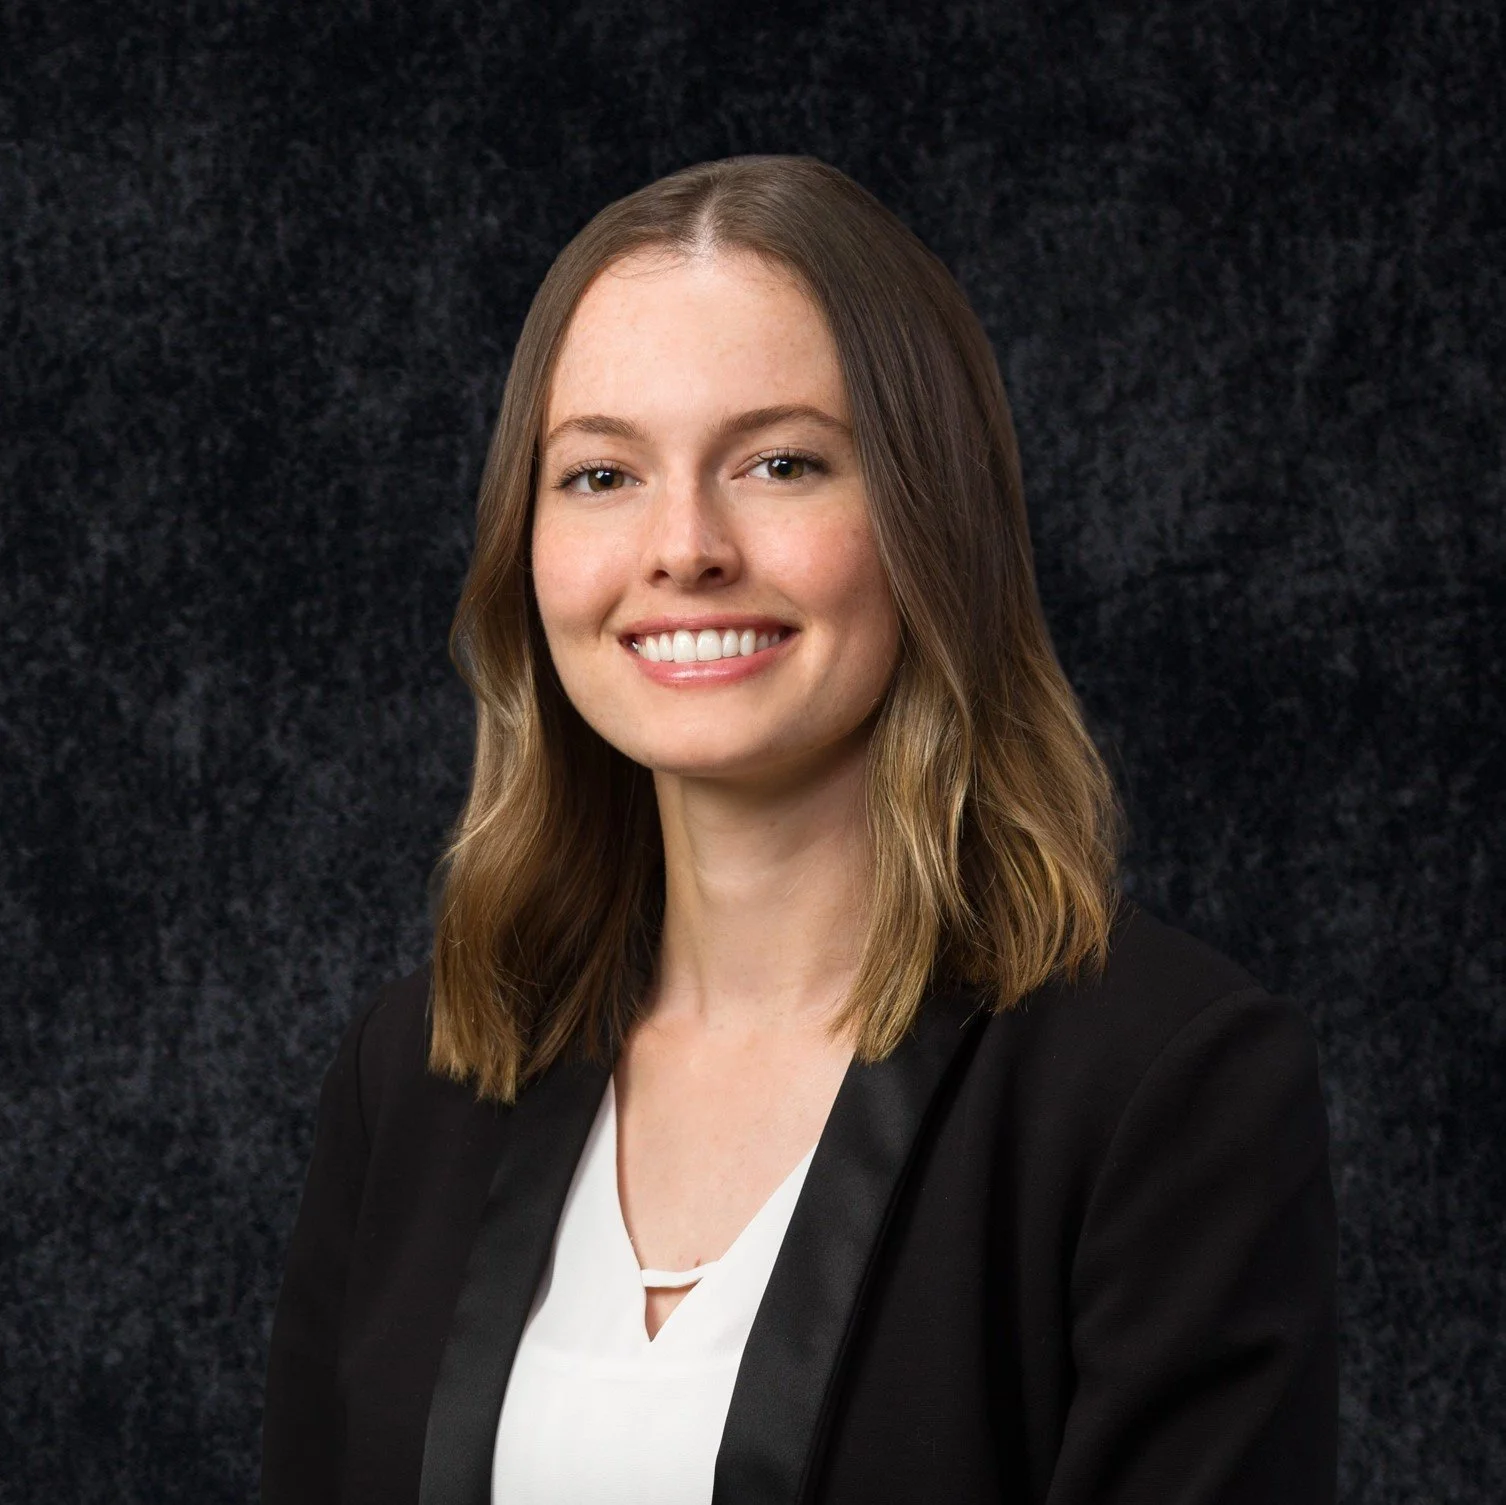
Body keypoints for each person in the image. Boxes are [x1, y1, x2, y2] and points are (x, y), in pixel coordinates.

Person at [261, 155, 1337, 1505]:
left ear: (928, 516)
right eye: (601, 474)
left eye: (779, 463)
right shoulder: (416, 1074)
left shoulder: (1161, 1087)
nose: (684, 547)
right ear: (523, 546)